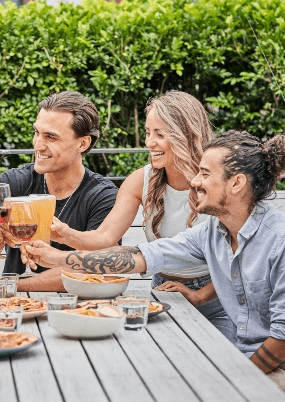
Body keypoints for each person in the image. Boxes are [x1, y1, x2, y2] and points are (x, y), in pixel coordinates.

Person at [28, 131, 285, 401]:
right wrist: (56, 258)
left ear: (237, 183)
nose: (195, 182)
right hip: (247, 358)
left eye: (205, 174)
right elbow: (139, 256)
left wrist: (235, 380)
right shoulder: (213, 233)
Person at [28, 91, 233, 339]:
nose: (149, 142)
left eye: (160, 134)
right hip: (164, 292)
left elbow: (239, 260)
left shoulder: (219, 183)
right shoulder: (140, 180)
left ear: (185, 135)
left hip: (218, 297)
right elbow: (104, 238)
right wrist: (66, 234)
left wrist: (201, 295)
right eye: (148, 133)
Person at [0, 91, 118, 291]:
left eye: (50, 137)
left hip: (79, 310)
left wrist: (14, 285)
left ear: (83, 143)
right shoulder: (12, 184)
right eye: (36, 133)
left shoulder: (102, 196)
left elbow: (94, 268)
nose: (38, 145)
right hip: (14, 309)